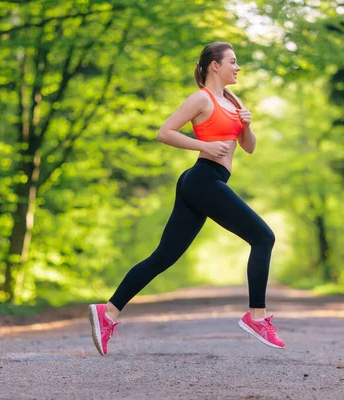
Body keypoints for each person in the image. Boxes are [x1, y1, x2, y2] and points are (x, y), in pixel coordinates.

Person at [88, 42, 285, 356]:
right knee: (263, 236)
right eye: (232, 62)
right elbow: (164, 132)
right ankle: (257, 317)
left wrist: (246, 125)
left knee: (164, 256)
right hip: (202, 179)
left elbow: (249, 147)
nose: (238, 67)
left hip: (208, 181)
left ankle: (108, 312)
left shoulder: (233, 101)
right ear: (214, 66)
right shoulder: (200, 99)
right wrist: (203, 147)